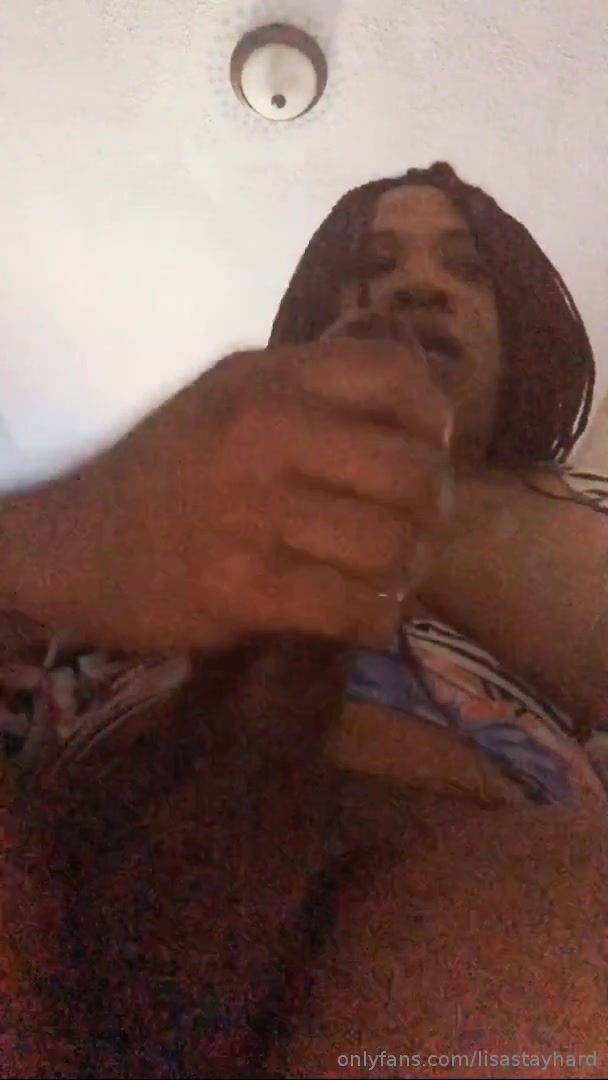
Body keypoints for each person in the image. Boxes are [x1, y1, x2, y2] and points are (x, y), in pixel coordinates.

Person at [0, 161, 606, 1078]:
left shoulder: (585, 507)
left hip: (487, 867)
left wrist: (390, 488)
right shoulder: (149, 507)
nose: (417, 285)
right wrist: (62, 536)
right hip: (75, 835)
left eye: (466, 267)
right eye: (373, 265)